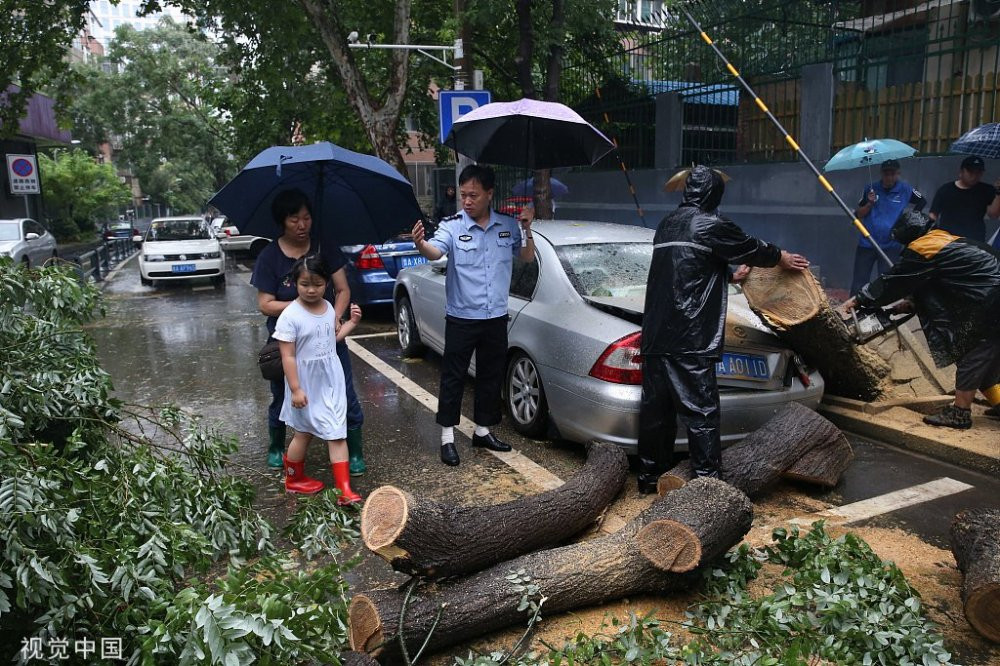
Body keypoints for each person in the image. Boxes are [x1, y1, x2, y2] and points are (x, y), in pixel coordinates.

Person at [638, 165, 810, 492]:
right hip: (690, 337)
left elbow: (685, 272)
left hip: (657, 334)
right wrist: (782, 257)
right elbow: (750, 246)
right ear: (715, 194)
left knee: (656, 415)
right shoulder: (710, 224)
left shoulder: (666, 225)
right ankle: (708, 489)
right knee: (701, 414)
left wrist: (728, 277)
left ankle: (648, 481)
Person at [411, 164, 535, 466]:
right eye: (464, 195)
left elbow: (527, 257)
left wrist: (527, 227)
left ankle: (482, 431)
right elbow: (436, 252)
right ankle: (447, 437)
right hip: (462, 317)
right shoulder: (452, 226)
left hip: (495, 317)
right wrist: (420, 244)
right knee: (453, 378)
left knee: (490, 377)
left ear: (489, 194)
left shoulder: (507, 225)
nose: (467, 201)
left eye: (473, 195)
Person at [845, 210, 1000, 430]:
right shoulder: (942, 239)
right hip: (990, 299)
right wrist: (912, 304)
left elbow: (894, 281)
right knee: (989, 364)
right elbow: (944, 282)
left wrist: (860, 299)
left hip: (989, 302)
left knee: (971, 351)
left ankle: (960, 413)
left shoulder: (923, 246)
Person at [250, 189, 367, 475]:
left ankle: (354, 452)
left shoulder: (324, 247)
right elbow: (265, 304)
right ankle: (277, 446)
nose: (302, 225)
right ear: (282, 222)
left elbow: (342, 290)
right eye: (294, 220)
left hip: (327, 340)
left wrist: (334, 318)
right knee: (284, 395)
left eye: (307, 218)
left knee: (343, 395)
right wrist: (303, 308)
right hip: (287, 343)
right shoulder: (269, 256)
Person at [273, 255, 364, 502]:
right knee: (303, 432)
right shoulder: (290, 316)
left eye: (318, 284)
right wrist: (296, 389)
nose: (312, 290)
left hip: (330, 381)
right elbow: (288, 356)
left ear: (327, 283)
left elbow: (330, 339)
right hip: (305, 384)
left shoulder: (328, 308)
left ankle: (344, 489)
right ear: (294, 283)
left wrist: (352, 323)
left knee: (337, 431)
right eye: (305, 284)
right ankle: (293, 479)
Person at [850, 159, 926, 295]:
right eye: (886, 174)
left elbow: (922, 201)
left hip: (891, 245)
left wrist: (910, 219)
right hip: (867, 242)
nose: (889, 177)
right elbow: (858, 214)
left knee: (887, 282)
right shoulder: (870, 188)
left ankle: (882, 312)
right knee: (859, 281)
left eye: (893, 174)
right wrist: (870, 203)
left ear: (898, 174)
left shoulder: (905, 189)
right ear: (881, 174)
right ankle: (853, 312)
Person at [928, 155, 1000, 242]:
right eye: (971, 172)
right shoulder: (946, 189)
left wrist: (998, 193)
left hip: (975, 240)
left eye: (978, 173)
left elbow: (993, 215)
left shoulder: (986, 190)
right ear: (961, 172)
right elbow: (933, 215)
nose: (974, 176)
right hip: (947, 240)